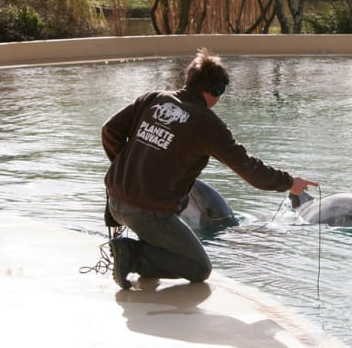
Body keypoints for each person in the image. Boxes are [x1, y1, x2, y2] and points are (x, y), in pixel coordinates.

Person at [101, 48, 317, 290]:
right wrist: (289, 182)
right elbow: (248, 168)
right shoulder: (206, 123)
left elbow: (109, 130)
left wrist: (124, 169)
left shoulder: (152, 98)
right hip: (146, 211)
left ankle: (142, 254)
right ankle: (132, 254)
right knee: (198, 267)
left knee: (172, 217)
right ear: (217, 90)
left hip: (115, 202)